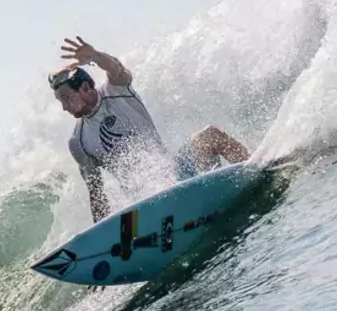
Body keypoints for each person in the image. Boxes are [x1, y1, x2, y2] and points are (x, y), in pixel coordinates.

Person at [50, 37, 250, 223]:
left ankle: (254, 171)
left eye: (66, 98)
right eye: (60, 101)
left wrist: (95, 56)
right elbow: (96, 194)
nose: (64, 107)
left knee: (209, 135)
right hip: (146, 206)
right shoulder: (78, 142)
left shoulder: (116, 91)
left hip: (178, 176)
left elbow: (117, 69)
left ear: (85, 88)